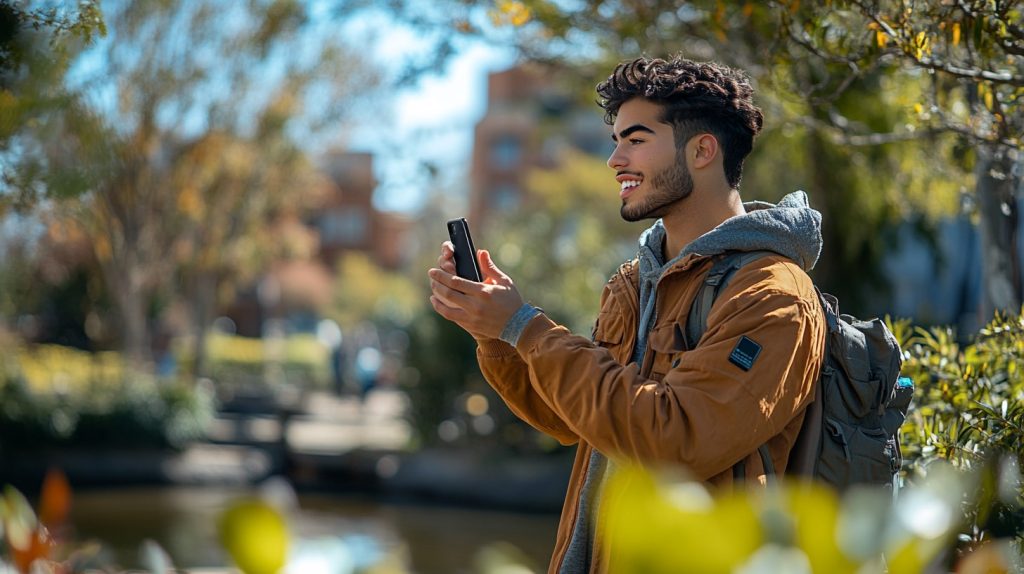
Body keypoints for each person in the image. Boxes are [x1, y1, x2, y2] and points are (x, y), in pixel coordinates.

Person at [428, 56, 826, 574]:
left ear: (703, 150)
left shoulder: (774, 296)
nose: (615, 159)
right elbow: (574, 421)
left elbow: (674, 443)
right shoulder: (635, 281)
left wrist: (523, 326)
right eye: (616, 141)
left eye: (635, 140)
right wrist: (496, 333)